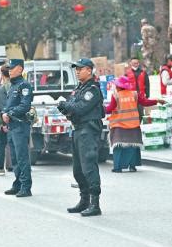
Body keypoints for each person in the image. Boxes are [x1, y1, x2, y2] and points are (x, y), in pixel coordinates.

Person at [57, 58, 104, 217]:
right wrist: (66, 108)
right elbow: (72, 108)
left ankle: (94, 203)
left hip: (88, 130)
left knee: (88, 166)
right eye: (76, 69)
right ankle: (84, 200)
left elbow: (80, 108)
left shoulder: (92, 90)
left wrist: (67, 106)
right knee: (78, 169)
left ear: (89, 70)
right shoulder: (79, 88)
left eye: (80, 69)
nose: (77, 71)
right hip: (77, 129)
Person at [105, 76, 165, 173]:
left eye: (116, 85)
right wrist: (157, 100)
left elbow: (109, 108)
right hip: (133, 124)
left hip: (119, 125)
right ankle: (132, 166)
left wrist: (100, 109)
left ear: (120, 86)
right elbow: (145, 102)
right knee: (133, 146)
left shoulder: (115, 95)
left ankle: (118, 167)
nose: (115, 86)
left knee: (119, 147)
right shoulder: (134, 94)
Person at [2, 59, 34, 198]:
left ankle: (26, 187)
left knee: (22, 157)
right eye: (9, 68)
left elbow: (25, 106)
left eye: (12, 67)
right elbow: (8, 105)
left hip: (20, 125)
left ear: (20, 69)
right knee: (14, 158)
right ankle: (18, 184)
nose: (9, 70)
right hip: (11, 126)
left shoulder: (24, 85)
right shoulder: (12, 86)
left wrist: (10, 113)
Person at [0, 65, 12, 176]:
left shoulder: (2, 89)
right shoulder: (16, 86)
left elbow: (3, 108)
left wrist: (4, 123)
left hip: (6, 120)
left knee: (2, 143)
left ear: (2, 74)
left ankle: (0, 168)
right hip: (16, 120)